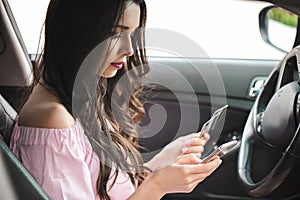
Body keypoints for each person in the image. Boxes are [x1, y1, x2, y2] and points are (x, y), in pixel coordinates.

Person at [9, 0, 222, 199]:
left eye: (132, 34)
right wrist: (157, 186)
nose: (129, 49)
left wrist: (160, 163)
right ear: (77, 32)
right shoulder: (52, 120)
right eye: (115, 34)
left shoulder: (84, 95)